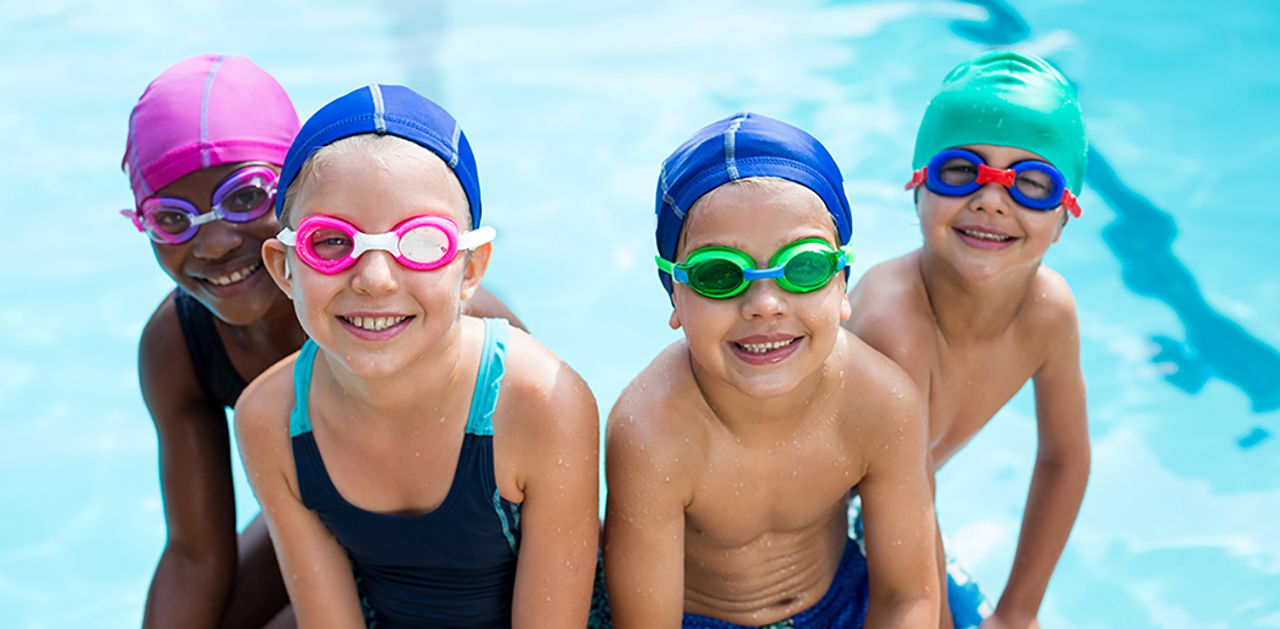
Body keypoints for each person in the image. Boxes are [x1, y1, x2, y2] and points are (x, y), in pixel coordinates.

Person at [122, 54, 522, 628]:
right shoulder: (179, 346)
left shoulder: (443, 317)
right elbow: (194, 552)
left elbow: (553, 502)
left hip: (469, 559)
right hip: (328, 523)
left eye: (244, 197)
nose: (210, 244)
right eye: (170, 218)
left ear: (298, 190)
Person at [234, 84, 599, 628]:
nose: (376, 280)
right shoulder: (269, 418)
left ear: (471, 269)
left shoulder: (541, 403)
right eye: (331, 241)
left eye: (420, 243)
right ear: (285, 267)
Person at [603, 112, 939, 629]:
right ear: (674, 293)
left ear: (841, 284)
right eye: (720, 275)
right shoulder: (653, 432)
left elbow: (907, 598)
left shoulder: (881, 401)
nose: (764, 304)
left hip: (845, 604)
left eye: (803, 267)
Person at [843, 51, 1091, 629]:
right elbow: (908, 504)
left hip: (889, 520)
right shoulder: (893, 324)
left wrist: (1018, 613)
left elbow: (1066, 458)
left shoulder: (1049, 313)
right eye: (961, 170)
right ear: (917, 186)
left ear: (1064, 216)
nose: (991, 200)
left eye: (1031, 183)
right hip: (806, 555)